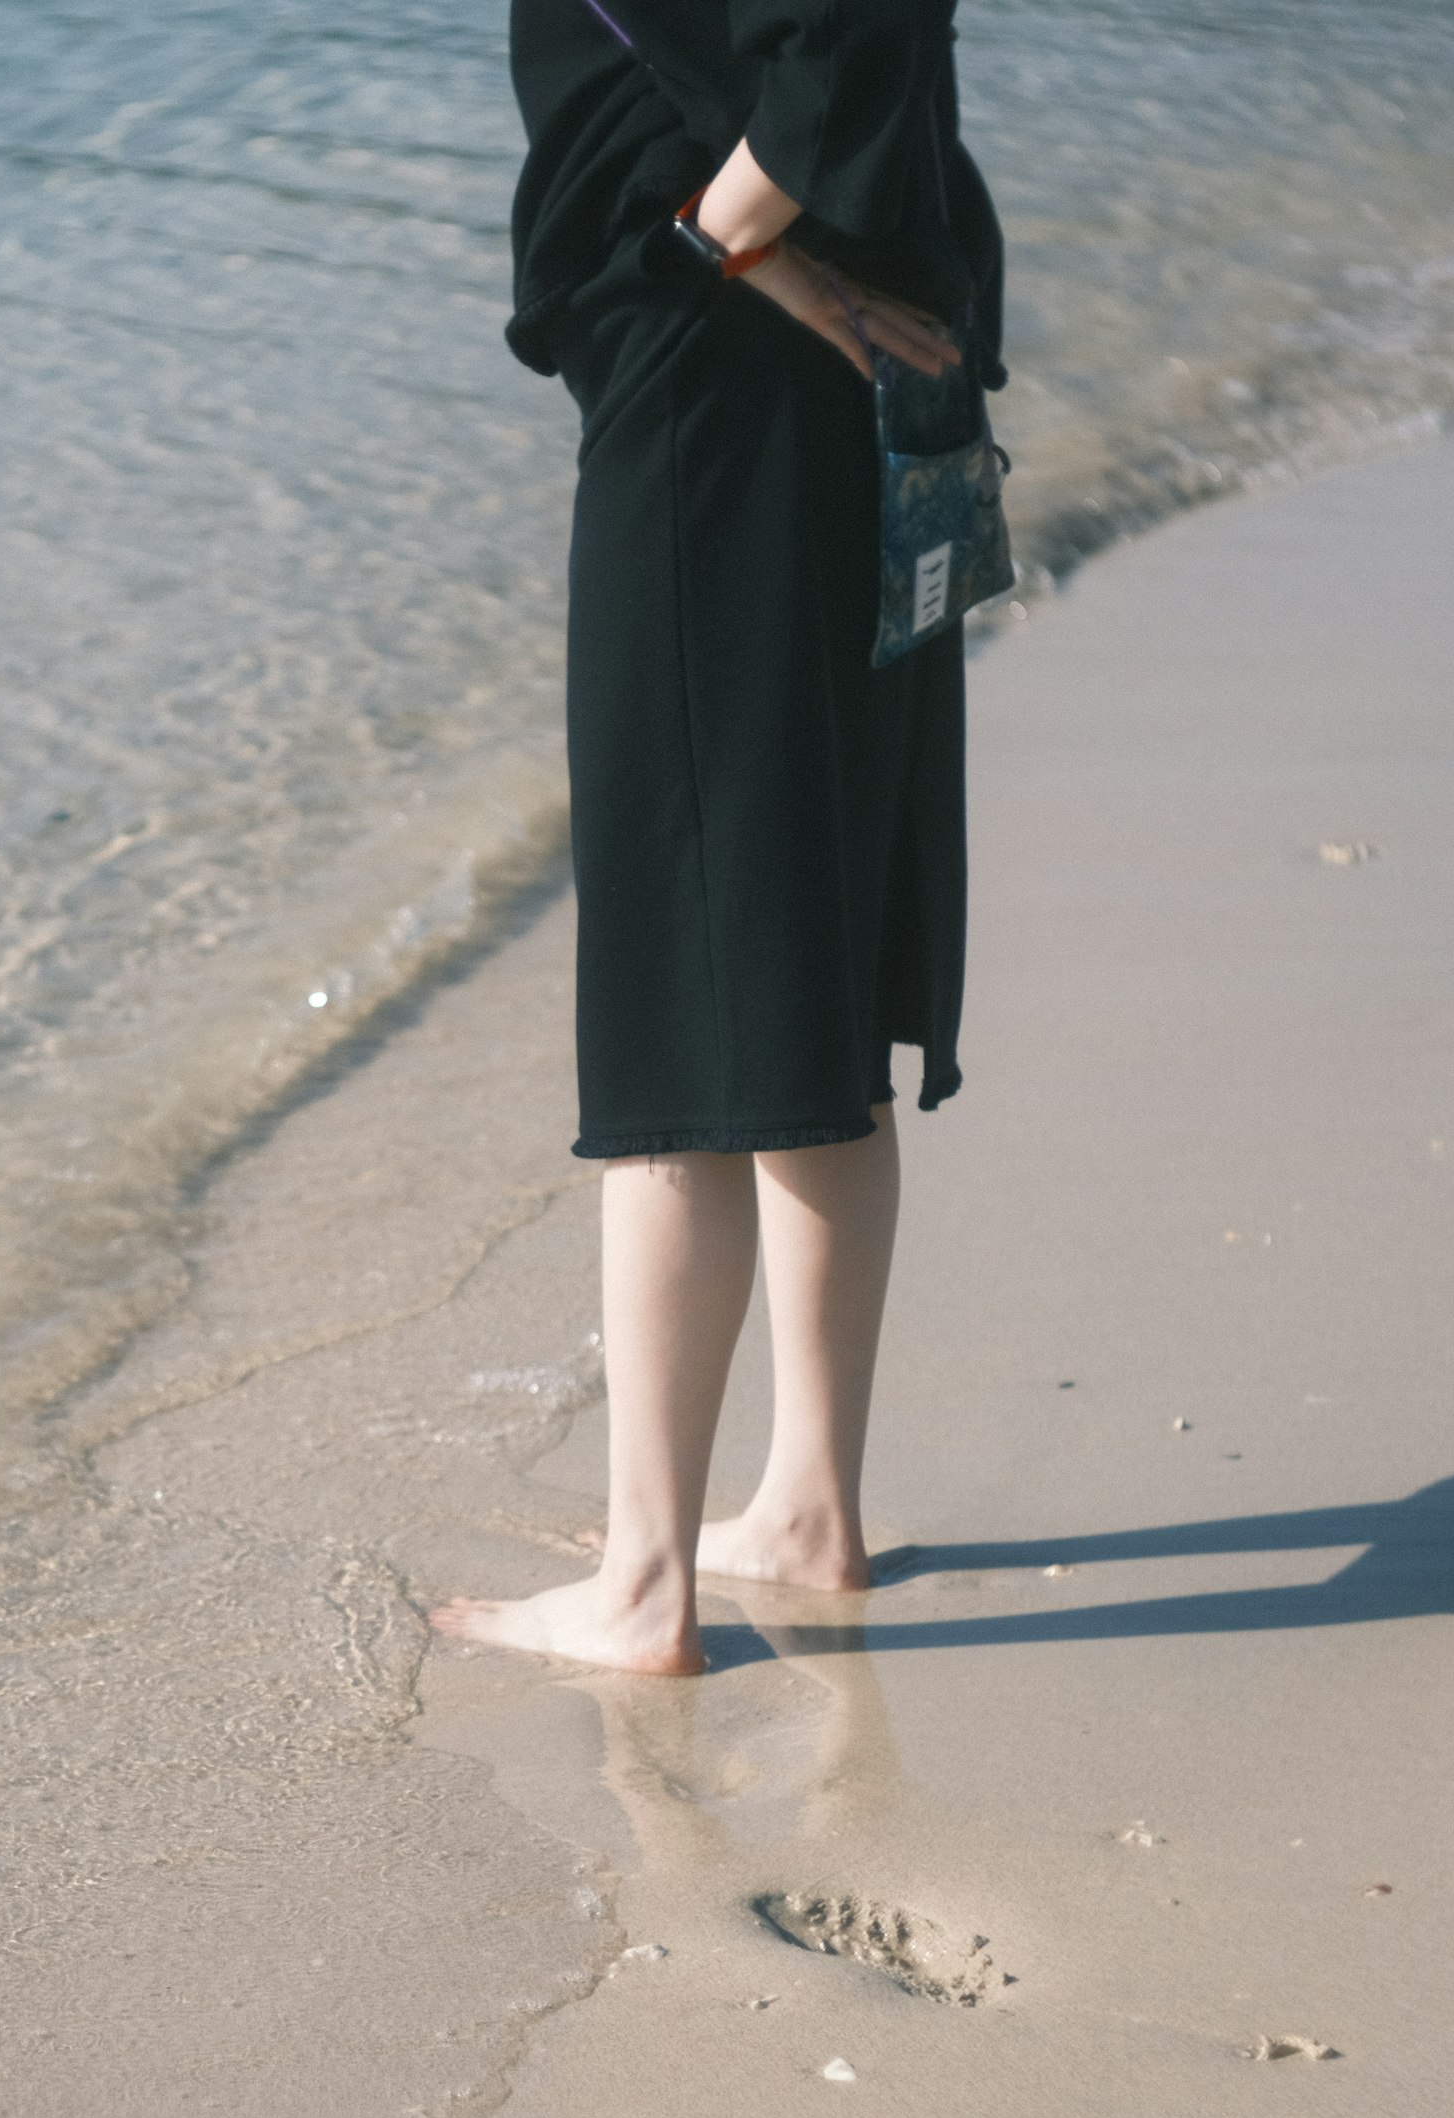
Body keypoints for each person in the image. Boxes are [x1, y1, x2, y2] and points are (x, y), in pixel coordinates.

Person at [433, 0, 1007, 1677]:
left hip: (730, 384)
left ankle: (643, 1586)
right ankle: (810, 1508)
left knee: (693, 983)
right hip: (847, 347)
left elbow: (844, 36)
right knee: (806, 948)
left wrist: (718, 241)